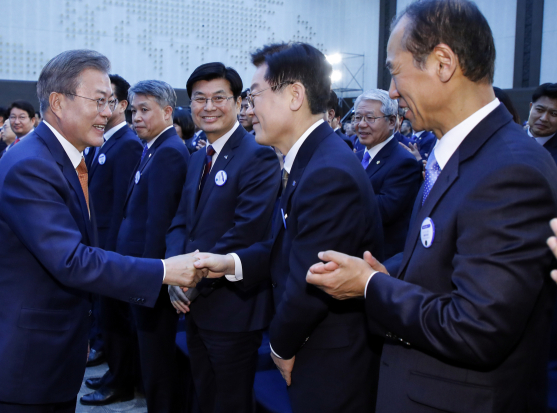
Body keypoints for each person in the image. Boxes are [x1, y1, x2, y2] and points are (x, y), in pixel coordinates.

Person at [305, 2, 557, 412]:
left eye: (395, 69)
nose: (390, 90)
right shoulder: (466, 154)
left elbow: (477, 326)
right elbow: (448, 252)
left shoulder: (510, 168)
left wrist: (370, 286)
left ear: (442, 63)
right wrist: (391, 274)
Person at [0, 49, 206, 413]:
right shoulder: (33, 166)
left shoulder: (59, 157)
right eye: (99, 101)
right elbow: (71, 259)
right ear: (57, 102)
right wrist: (165, 271)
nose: (109, 112)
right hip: (18, 360)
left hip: (45, 347)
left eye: (111, 102)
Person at [194, 42, 384, 413]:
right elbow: (288, 247)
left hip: (330, 355)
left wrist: (280, 346)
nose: (249, 108)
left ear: (295, 95)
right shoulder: (308, 160)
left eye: (255, 95)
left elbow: (309, 279)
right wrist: (228, 263)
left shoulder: (327, 171)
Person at [166, 62, 280, 413]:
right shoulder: (199, 155)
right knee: (204, 392)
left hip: (233, 306)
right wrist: (173, 273)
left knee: (231, 401)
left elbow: (246, 231)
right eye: (199, 99)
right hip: (193, 301)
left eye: (219, 98)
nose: (208, 107)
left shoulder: (257, 155)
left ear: (238, 102)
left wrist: (192, 278)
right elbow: (180, 222)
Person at [113, 79, 190, 411]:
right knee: (149, 353)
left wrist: (147, 277)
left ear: (168, 112)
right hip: (142, 272)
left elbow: (160, 224)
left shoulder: (170, 151)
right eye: (133, 110)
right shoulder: (153, 148)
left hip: (151, 276)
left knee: (157, 357)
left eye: (145, 110)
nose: (136, 118)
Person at [79, 73, 144, 406]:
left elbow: (122, 206)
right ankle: (113, 373)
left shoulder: (128, 143)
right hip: (99, 246)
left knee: (117, 323)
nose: (102, 107)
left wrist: (113, 256)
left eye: (108, 100)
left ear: (122, 105)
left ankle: (121, 381)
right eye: (97, 100)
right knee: (108, 320)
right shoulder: (106, 141)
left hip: (111, 251)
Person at [354, 89, 421, 257]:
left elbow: (381, 211)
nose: (361, 124)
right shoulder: (355, 157)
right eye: (357, 117)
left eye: (370, 118)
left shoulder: (404, 163)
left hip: (380, 262)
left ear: (392, 122)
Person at [526, 83, 557, 163]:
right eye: (539, 110)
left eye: (553, 114)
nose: (544, 119)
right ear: (531, 107)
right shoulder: (508, 138)